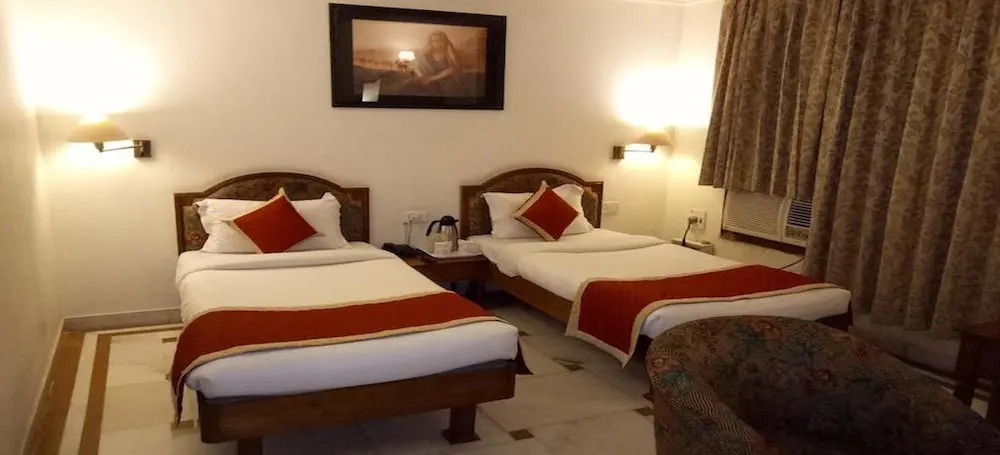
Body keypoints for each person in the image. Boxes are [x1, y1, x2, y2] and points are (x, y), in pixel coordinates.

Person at [412, 31, 468, 97]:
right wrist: (421, 76)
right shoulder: (426, 54)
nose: (437, 43)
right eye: (434, 41)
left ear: (445, 41)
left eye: (439, 40)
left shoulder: (451, 54)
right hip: (427, 79)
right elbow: (416, 66)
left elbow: (452, 69)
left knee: (448, 87)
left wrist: (432, 79)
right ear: (430, 42)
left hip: (446, 80)